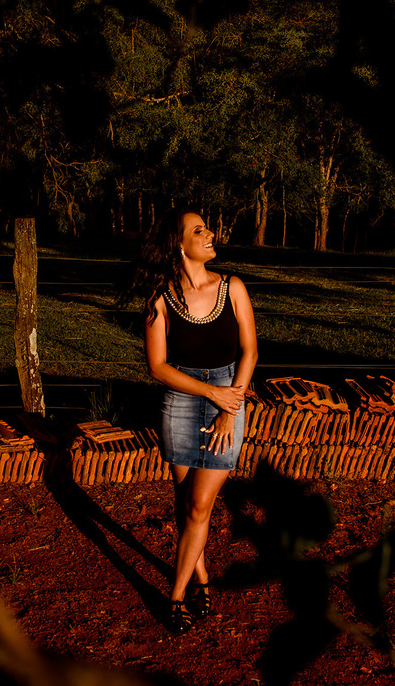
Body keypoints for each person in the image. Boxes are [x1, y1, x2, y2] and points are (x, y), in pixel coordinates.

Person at [125, 208, 258, 633]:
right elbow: (158, 367)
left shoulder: (232, 286)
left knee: (201, 505)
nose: (210, 233)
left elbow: (250, 352)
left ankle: (176, 595)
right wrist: (207, 393)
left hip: (229, 398)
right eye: (199, 230)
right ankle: (201, 575)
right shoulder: (160, 297)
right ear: (179, 245)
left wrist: (227, 406)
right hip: (179, 402)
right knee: (185, 504)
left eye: (208, 228)